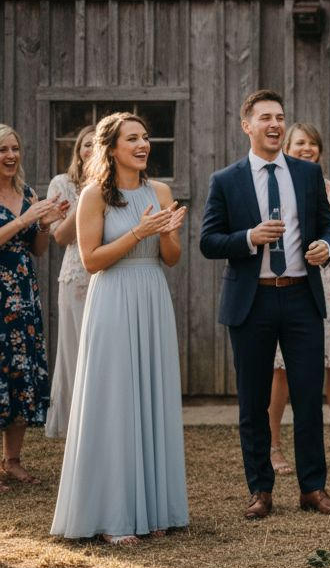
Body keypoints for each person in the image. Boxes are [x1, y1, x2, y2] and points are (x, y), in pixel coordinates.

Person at [199, 89, 330, 520]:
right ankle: (260, 490)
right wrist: (249, 238)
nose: (275, 124)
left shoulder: (307, 173)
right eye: (265, 118)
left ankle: (313, 488)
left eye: (279, 117)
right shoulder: (226, 180)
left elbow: (329, 226)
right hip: (252, 300)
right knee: (253, 402)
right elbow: (208, 241)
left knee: (308, 397)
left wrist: (325, 246)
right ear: (247, 126)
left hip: (301, 297)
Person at [50, 112, 190, 545]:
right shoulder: (94, 196)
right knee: (115, 400)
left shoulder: (160, 191)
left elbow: (171, 259)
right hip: (112, 298)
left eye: (145, 137)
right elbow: (91, 260)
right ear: (111, 149)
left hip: (152, 295)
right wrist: (139, 232)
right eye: (132, 139)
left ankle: (155, 508)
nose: (143, 144)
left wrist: (166, 233)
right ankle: (112, 515)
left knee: (151, 395)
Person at [267, 123, 330, 475]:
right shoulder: (275, 186)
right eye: (300, 143)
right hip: (292, 280)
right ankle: (274, 446)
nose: (307, 148)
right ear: (286, 147)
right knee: (281, 369)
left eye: (313, 144)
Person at [0, 123, 68, 489]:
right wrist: (24, 219)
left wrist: (43, 225)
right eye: (2, 150)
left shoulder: (26, 193)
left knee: (20, 372)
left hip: (23, 294)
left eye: (15, 148)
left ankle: (12, 460)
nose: (10, 155)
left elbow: (38, 250)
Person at [45, 124, 96, 438]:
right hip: (76, 275)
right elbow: (60, 236)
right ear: (78, 150)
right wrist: (87, 197)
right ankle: (73, 424)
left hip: (106, 273)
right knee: (74, 349)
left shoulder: (114, 184)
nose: (91, 149)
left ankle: (99, 420)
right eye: (86, 144)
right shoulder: (61, 184)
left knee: (100, 350)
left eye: (97, 145)